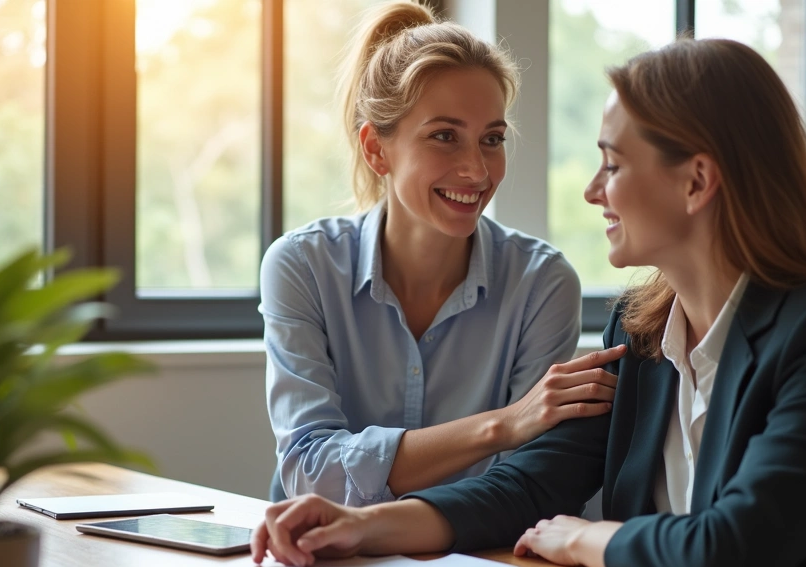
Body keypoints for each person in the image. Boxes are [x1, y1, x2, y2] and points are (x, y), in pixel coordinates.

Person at [251, 37, 806, 567]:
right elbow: (525, 486)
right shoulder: (638, 331)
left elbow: (732, 554)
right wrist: (361, 526)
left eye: (611, 164)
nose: (590, 192)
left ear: (696, 182)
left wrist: (589, 537)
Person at [259, 0, 623, 507]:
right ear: (375, 149)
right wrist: (503, 425)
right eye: (444, 137)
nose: (477, 170)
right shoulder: (302, 266)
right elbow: (310, 471)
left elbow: (532, 487)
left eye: (491, 139)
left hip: (479, 566)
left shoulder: (541, 283)